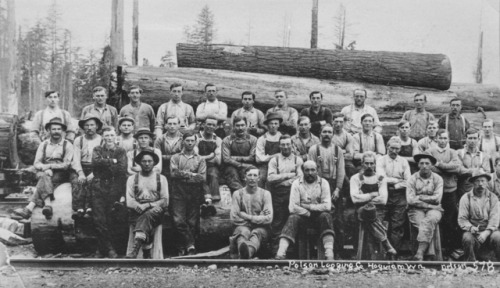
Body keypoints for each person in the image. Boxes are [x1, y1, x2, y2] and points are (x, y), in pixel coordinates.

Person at [13, 117, 75, 220]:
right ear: (49, 130)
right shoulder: (44, 144)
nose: (56, 132)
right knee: (44, 176)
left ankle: (29, 208)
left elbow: (66, 165)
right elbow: (36, 163)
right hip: (44, 172)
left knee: (43, 179)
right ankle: (48, 205)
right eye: (53, 129)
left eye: (59, 129)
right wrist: (44, 168)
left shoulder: (67, 145)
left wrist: (50, 166)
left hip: (61, 173)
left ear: (63, 131)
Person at [275, 161, 334, 260]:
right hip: (302, 219)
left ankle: (329, 253)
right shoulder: (296, 183)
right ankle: (281, 252)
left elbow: (327, 206)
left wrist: (308, 206)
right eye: (307, 170)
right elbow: (292, 207)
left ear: (317, 171)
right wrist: (309, 212)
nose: (310, 173)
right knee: (292, 218)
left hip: (319, 218)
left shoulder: (324, 183)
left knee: (326, 216)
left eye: (312, 170)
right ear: (303, 171)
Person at [307, 124, 345, 256]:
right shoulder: (313, 149)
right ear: (320, 134)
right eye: (324, 132)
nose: (327, 134)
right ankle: (315, 251)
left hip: (334, 184)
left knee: (338, 219)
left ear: (333, 134)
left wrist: (338, 189)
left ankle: (338, 252)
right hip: (318, 184)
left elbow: (341, 171)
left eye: (330, 132)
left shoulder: (337, 150)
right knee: (319, 216)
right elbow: (310, 171)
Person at [350, 151, 397, 257]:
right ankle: (386, 243)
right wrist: (372, 195)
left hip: (378, 210)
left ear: (375, 164)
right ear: (362, 163)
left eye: (372, 163)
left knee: (371, 216)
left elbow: (383, 200)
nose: (369, 166)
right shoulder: (356, 178)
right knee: (367, 212)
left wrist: (364, 197)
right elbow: (354, 199)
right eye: (366, 163)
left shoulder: (380, 178)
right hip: (360, 210)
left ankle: (372, 256)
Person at [91, 126, 128, 258]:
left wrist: (104, 164)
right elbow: (94, 164)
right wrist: (112, 162)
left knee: (112, 217)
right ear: (103, 137)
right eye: (106, 136)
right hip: (99, 186)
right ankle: (107, 248)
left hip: (115, 187)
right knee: (99, 219)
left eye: (112, 135)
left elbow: (122, 169)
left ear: (116, 136)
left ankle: (105, 248)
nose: (109, 138)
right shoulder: (97, 149)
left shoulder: (120, 151)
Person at [125, 150, 169, 259]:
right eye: (144, 161)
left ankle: (136, 248)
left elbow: (165, 201)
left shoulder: (161, 179)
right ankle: (146, 248)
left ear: (154, 163)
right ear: (140, 163)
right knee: (144, 217)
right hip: (137, 210)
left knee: (150, 214)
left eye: (150, 161)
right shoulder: (132, 179)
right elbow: (129, 201)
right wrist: (138, 205)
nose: (147, 164)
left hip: (155, 210)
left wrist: (148, 205)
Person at [170, 132, 207, 256]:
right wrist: (191, 174)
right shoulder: (175, 157)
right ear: (183, 141)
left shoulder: (200, 159)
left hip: (194, 193)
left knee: (192, 222)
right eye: (187, 140)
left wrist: (183, 175)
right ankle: (189, 245)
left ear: (195, 142)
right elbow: (174, 174)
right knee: (178, 220)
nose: (190, 143)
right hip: (178, 192)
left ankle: (184, 248)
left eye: (192, 141)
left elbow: (201, 178)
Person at [427, 129, 462, 255]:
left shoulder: (452, 152)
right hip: (434, 191)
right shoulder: (430, 151)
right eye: (440, 138)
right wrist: (448, 168)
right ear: (436, 138)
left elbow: (457, 168)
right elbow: (429, 167)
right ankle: (437, 249)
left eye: (445, 138)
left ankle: (451, 248)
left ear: (448, 139)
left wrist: (439, 165)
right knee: (436, 218)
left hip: (450, 190)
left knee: (450, 219)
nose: (443, 141)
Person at [267, 134, 303, 253]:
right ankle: (276, 250)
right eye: (283, 144)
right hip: (277, 194)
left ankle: (292, 250)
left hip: (293, 193)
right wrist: (289, 175)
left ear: (292, 145)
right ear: (279, 145)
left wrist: (283, 182)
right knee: (277, 221)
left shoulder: (298, 160)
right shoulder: (274, 160)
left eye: (288, 144)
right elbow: (271, 178)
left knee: (292, 219)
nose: (285, 147)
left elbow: (300, 178)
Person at [376, 138, 411, 254]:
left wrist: (395, 185)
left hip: (399, 195)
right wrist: (397, 180)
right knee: (379, 222)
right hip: (383, 193)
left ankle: (394, 253)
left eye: (397, 149)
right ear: (387, 147)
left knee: (397, 225)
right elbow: (380, 177)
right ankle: (381, 253)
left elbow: (408, 181)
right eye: (392, 148)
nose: (394, 151)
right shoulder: (380, 160)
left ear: (400, 149)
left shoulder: (404, 162)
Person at [230, 166, 273, 259]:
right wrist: (258, 218)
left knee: (257, 232)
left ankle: (247, 252)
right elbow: (234, 218)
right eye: (249, 175)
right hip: (242, 226)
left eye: (255, 175)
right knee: (243, 231)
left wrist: (248, 217)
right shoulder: (237, 194)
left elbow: (269, 218)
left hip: (261, 228)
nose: (252, 178)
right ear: (244, 178)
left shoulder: (265, 194)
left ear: (259, 178)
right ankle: (243, 251)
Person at [407, 152, 444, 261]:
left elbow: (437, 198)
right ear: (418, 165)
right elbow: (410, 200)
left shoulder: (438, 179)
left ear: (432, 165)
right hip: (416, 209)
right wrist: (429, 202)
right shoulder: (412, 179)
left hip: (435, 208)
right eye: (421, 163)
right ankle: (430, 255)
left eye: (427, 163)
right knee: (422, 224)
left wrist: (419, 197)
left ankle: (419, 253)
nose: (424, 166)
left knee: (430, 220)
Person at [458, 172, 500, 262]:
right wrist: (471, 228)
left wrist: (486, 232)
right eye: (477, 181)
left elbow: (494, 218)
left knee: (498, 237)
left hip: (489, 231)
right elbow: (462, 218)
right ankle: (471, 264)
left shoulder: (493, 198)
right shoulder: (466, 197)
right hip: (473, 231)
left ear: (487, 183)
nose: (480, 184)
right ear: (473, 183)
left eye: (483, 181)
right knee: (467, 238)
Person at [70, 116, 103, 218]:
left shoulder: (102, 140)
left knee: (93, 181)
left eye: (92, 125)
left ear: (97, 126)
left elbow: (103, 159)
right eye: (86, 125)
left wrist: (94, 173)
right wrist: (80, 173)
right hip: (80, 166)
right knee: (77, 181)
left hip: (96, 167)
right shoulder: (78, 140)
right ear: (83, 127)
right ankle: (78, 208)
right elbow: (75, 158)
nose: (89, 128)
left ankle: (89, 208)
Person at [222, 116, 258, 192]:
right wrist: (240, 165)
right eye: (237, 125)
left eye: (242, 125)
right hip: (231, 167)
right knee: (232, 175)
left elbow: (251, 157)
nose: (240, 128)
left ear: (246, 126)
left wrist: (233, 158)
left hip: (248, 166)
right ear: (233, 127)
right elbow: (226, 159)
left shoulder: (253, 139)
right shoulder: (227, 140)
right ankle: (241, 194)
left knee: (252, 176)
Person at [457, 128, 492, 197]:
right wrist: (475, 171)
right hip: (464, 190)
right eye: (470, 138)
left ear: (478, 139)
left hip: (480, 190)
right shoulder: (459, 153)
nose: (472, 141)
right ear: (466, 139)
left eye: (475, 138)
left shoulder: (484, 156)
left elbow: (487, 173)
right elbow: (459, 170)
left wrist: (467, 171)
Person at [196, 117, 222, 202]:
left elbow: (218, 160)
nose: (211, 127)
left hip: (212, 166)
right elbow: (194, 158)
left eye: (213, 125)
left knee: (213, 174)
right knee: (200, 176)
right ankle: (205, 200)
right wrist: (210, 156)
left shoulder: (217, 140)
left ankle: (215, 200)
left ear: (216, 127)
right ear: (203, 125)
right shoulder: (196, 138)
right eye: (209, 124)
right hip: (197, 166)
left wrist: (203, 158)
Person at [256, 113, 282, 188]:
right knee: (261, 178)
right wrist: (273, 156)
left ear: (279, 125)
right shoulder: (262, 138)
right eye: (271, 123)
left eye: (275, 123)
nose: (273, 126)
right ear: (267, 125)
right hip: (265, 165)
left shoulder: (282, 137)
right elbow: (259, 158)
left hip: (280, 164)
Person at [331, 113, 355, 177]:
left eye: (341, 122)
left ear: (344, 123)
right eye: (336, 121)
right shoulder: (327, 133)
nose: (338, 124)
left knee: (350, 168)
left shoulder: (348, 136)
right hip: (329, 159)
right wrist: (343, 151)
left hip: (344, 160)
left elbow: (350, 155)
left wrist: (336, 153)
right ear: (332, 122)